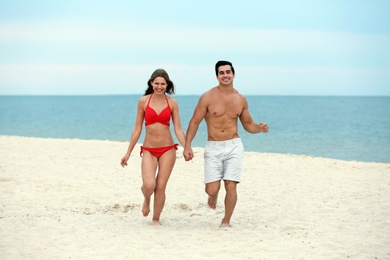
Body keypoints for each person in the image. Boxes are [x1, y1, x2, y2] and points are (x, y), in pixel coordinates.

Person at [183, 60, 268, 227]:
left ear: (233, 74)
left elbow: (248, 124)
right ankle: (212, 196)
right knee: (212, 189)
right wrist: (187, 145)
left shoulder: (240, 99)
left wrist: (260, 128)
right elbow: (194, 122)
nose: (225, 75)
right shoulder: (207, 97)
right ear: (217, 76)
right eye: (221, 73)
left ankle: (226, 221)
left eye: (228, 72)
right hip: (213, 146)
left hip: (234, 145)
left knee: (231, 184)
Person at [120, 68, 186, 225]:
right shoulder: (143, 101)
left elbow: (177, 128)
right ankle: (146, 198)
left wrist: (186, 147)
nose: (160, 86)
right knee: (149, 186)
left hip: (168, 148)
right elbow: (137, 128)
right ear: (151, 83)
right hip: (149, 149)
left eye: (163, 84)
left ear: (167, 84)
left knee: (161, 187)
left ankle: (156, 219)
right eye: (157, 83)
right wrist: (128, 152)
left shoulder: (172, 103)